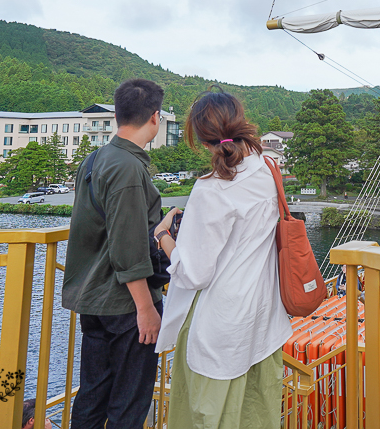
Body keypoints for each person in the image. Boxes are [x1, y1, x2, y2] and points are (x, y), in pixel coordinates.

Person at [153, 89, 292, 429]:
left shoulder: (212, 188)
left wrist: (163, 237)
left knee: (207, 417)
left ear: (201, 139)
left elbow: (195, 273)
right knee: (257, 416)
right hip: (263, 319)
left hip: (220, 328)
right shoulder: (267, 168)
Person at [62, 78, 168, 429]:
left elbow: (98, 227)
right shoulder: (127, 167)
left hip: (94, 298)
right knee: (129, 403)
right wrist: (146, 309)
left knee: (93, 395)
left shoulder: (95, 159)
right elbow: (127, 246)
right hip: (125, 305)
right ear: (155, 117)